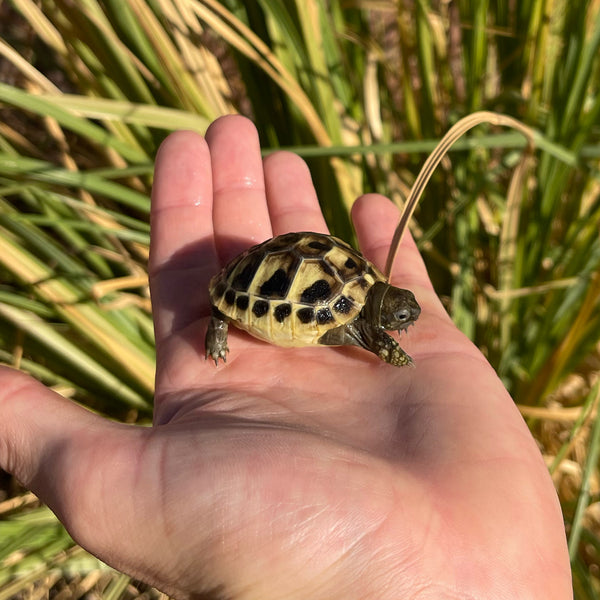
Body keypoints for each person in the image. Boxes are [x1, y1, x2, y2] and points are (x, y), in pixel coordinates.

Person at [0, 115, 572, 599]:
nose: (401, 322)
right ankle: (225, 318)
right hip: (264, 286)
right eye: (396, 315)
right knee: (279, 307)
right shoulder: (353, 312)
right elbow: (356, 320)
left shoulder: (365, 311)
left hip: (319, 285)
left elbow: (368, 328)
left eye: (398, 314)